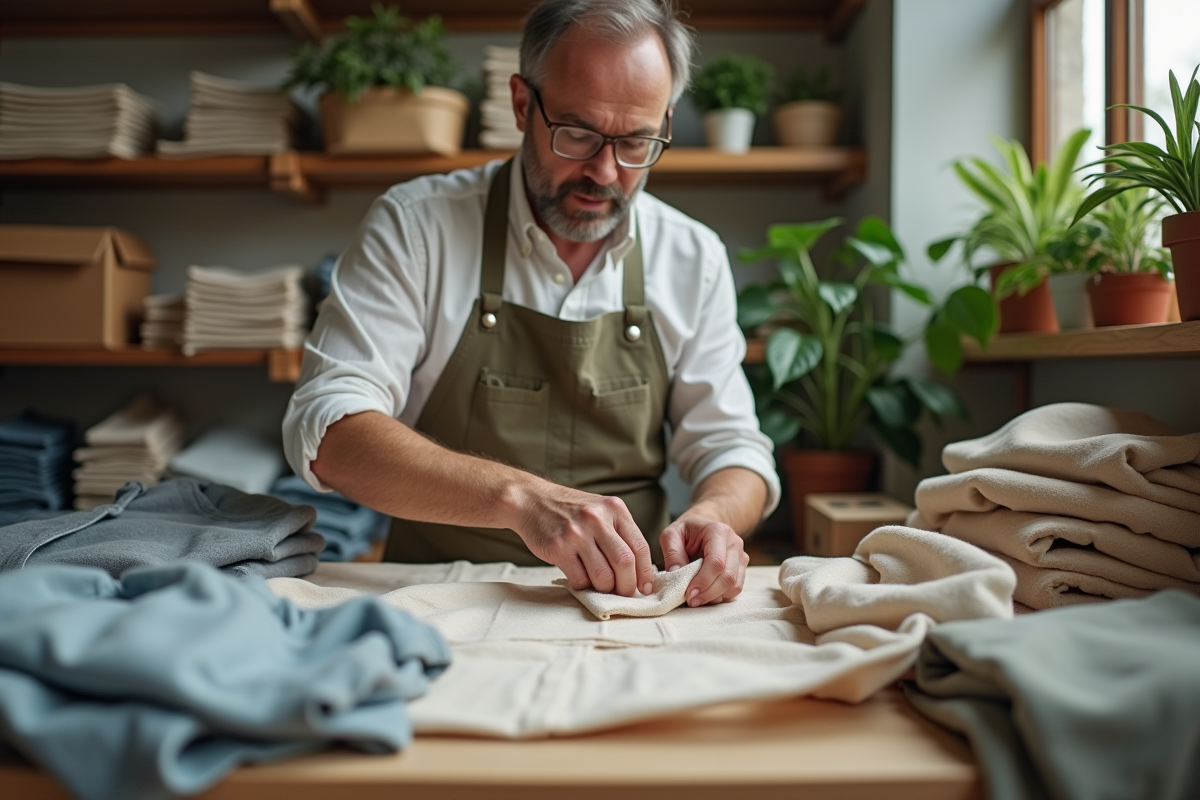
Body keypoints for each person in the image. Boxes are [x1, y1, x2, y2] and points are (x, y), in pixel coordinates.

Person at [282, 0, 779, 607]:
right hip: (441, 599)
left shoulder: (693, 257)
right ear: (522, 104)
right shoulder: (416, 227)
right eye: (577, 133)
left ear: (666, 123)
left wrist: (717, 514)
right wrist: (518, 500)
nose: (604, 170)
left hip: (628, 605)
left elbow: (734, 448)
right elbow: (329, 429)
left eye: (637, 142)